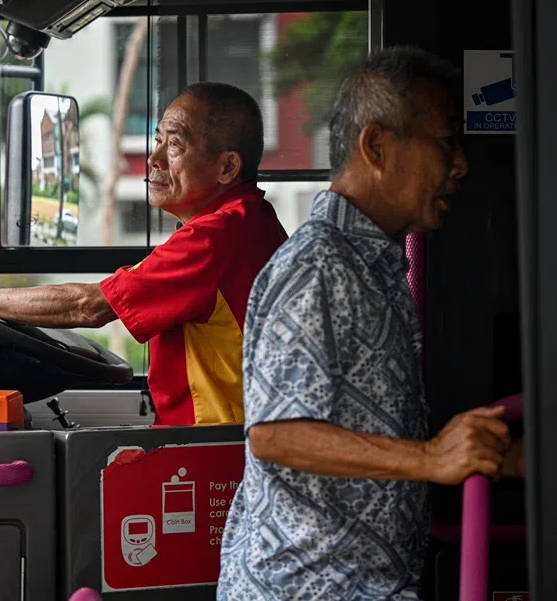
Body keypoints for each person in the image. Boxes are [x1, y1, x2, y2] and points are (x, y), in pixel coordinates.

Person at [217, 46, 524, 600]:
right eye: (446, 141)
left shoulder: (373, 265)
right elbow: (274, 434)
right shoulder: (318, 267)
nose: (460, 164)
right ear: (377, 146)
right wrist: (432, 458)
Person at [0, 83, 288, 426]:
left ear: (227, 167)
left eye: (175, 145)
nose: (154, 158)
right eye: (158, 139)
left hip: (212, 450)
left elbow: (91, 305)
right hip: (229, 441)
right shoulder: (251, 219)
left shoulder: (215, 238)